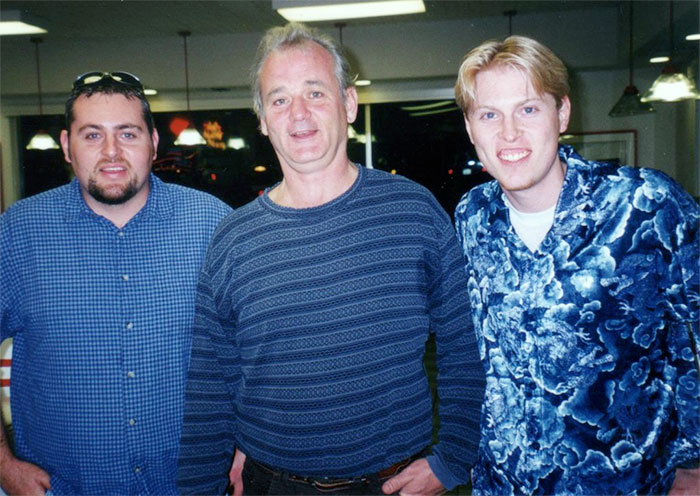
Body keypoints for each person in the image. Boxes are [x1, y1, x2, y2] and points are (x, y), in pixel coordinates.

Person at [177, 22, 484, 496]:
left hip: (395, 484)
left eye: (315, 93)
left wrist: (454, 460)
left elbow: (463, 346)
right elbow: (210, 387)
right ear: (262, 119)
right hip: (273, 486)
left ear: (349, 104)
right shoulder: (232, 239)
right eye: (278, 99)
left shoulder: (413, 210)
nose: (297, 113)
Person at [453, 35, 700, 495]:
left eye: (528, 109)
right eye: (489, 114)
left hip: (625, 483)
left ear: (562, 113)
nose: (509, 133)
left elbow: (693, 336)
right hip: (501, 483)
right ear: (470, 129)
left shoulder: (645, 204)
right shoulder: (472, 216)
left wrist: (694, 465)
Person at [0, 71, 232, 495]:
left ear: (154, 143)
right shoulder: (18, 234)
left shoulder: (212, 224)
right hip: (66, 486)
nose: (111, 152)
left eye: (127, 133)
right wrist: (2, 464)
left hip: (192, 485)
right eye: (91, 136)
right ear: (67, 146)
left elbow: (249, 352)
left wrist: (245, 451)